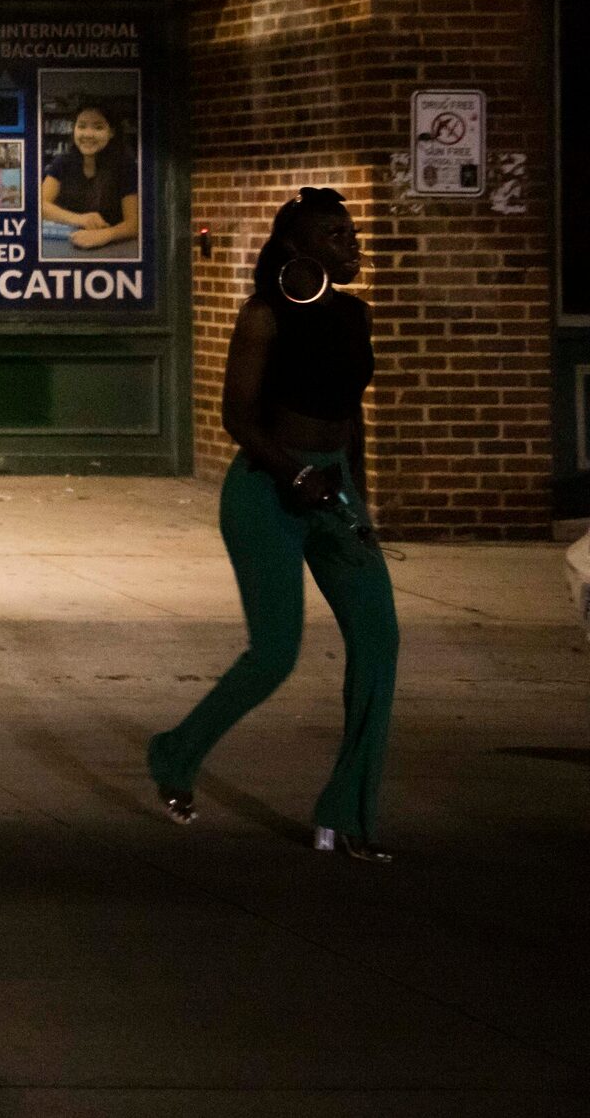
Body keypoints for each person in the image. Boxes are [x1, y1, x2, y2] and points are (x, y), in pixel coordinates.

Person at [148, 186, 397, 862]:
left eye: (352, 233)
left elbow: (352, 419)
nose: (351, 244)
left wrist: (359, 501)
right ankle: (175, 752)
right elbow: (239, 418)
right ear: (298, 247)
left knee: (379, 644)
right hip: (266, 493)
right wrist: (295, 476)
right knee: (276, 653)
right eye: (335, 234)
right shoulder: (264, 316)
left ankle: (347, 814)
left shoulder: (356, 316)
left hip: (334, 492)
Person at [40, 100, 141, 253]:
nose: (88, 134)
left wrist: (104, 235)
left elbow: (134, 224)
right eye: (81, 126)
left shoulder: (125, 166)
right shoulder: (62, 162)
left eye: (98, 127)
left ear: (111, 132)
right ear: (74, 129)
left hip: (114, 249)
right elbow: (39, 204)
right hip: (69, 245)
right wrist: (79, 219)